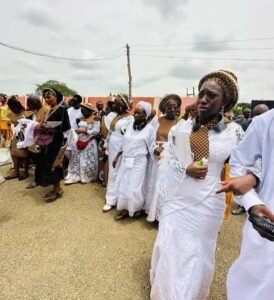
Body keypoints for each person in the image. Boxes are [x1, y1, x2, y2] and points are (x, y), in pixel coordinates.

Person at [150, 70, 243, 300]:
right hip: (178, 198)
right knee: (171, 244)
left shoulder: (233, 133)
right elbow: (175, 160)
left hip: (208, 201)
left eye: (211, 95)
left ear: (225, 101)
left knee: (195, 252)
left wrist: (237, 180)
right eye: (201, 94)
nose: (203, 99)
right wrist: (186, 168)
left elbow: (243, 166)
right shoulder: (182, 128)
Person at [216, 108, 274, 300]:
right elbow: (238, 163)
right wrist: (252, 204)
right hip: (269, 221)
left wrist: (253, 175)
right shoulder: (264, 123)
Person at [113, 101, 155, 220]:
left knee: (135, 187)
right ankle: (125, 209)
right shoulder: (129, 126)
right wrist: (117, 156)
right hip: (126, 160)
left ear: (145, 115)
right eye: (135, 112)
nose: (135, 114)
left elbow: (152, 147)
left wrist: (157, 161)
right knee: (124, 185)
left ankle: (137, 208)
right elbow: (124, 143)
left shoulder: (149, 129)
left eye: (139, 113)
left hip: (139, 161)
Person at [145, 94, 182, 222]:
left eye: (175, 107)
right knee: (153, 182)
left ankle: (161, 214)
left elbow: (180, 144)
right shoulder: (158, 120)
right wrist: (154, 148)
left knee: (164, 185)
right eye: (169, 107)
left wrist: (164, 148)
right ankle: (151, 210)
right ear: (164, 109)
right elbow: (151, 136)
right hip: (155, 156)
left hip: (168, 159)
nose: (172, 110)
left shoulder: (181, 122)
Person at [231, 103, 269, 215]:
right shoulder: (244, 123)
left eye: (263, 114)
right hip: (250, 158)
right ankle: (243, 205)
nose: (260, 117)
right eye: (256, 114)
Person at [34, 88, 71, 202]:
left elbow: (66, 126)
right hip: (48, 141)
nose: (47, 99)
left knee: (53, 164)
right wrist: (43, 126)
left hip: (57, 140)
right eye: (45, 97)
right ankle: (56, 188)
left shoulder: (62, 109)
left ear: (56, 97)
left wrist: (51, 128)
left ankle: (58, 190)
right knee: (49, 163)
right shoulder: (49, 110)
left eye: (49, 97)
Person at [102, 94, 133, 212]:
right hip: (112, 147)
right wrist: (107, 147)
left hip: (120, 148)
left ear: (122, 105)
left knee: (117, 172)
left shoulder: (129, 119)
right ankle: (112, 197)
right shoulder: (116, 116)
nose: (114, 104)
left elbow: (127, 137)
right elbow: (111, 133)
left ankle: (112, 200)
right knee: (113, 172)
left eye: (116, 103)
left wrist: (119, 152)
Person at [65, 103, 100, 184]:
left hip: (89, 143)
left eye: (84, 111)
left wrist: (84, 131)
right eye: (81, 111)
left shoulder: (95, 119)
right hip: (80, 141)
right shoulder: (82, 119)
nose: (82, 112)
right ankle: (76, 175)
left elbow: (96, 131)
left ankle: (86, 176)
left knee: (86, 160)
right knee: (78, 159)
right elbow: (80, 127)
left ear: (89, 111)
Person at [5, 97, 33, 180]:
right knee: (14, 154)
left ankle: (25, 173)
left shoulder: (27, 114)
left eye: (13, 108)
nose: (12, 110)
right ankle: (16, 172)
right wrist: (10, 122)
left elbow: (31, 125)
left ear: (18, 106)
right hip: (16, 136)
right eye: (10, 108)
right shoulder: (11, 114)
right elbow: (12, 121)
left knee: (24, 155)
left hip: (25, 137)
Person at [25, 94, 49, 189]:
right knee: (37, 160)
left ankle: (39, 180)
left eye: (30, 104)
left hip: (44, 140)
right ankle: (40, 179)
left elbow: (47, 124)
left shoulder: (46, 110)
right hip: (36, 139)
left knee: (41, 161)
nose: (29, 106)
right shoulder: (36, 111)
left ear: (37, 102)